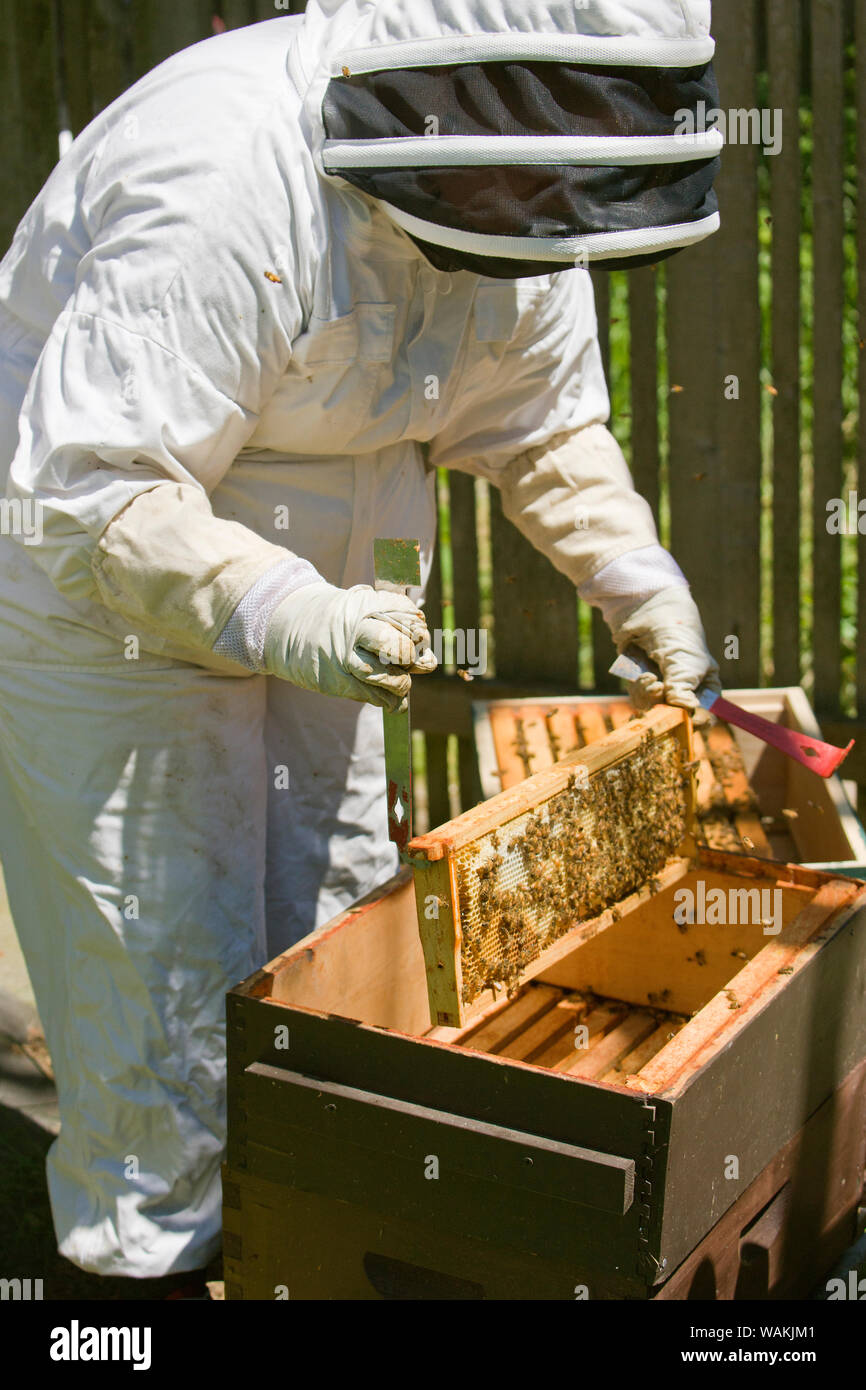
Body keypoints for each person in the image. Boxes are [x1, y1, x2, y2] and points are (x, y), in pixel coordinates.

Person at [0, 0, 722, 1291]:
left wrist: (637, 579)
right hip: (98, 576)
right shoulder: (223, 173)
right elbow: (95, 491)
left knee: (332, 933)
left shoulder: (524, 196)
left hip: (332, 566)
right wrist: (288, 615)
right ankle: (138, 1273)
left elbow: (543, 426)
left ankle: (305, 1249)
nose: (549, 217)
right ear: (467, 103)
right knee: (160, 970)